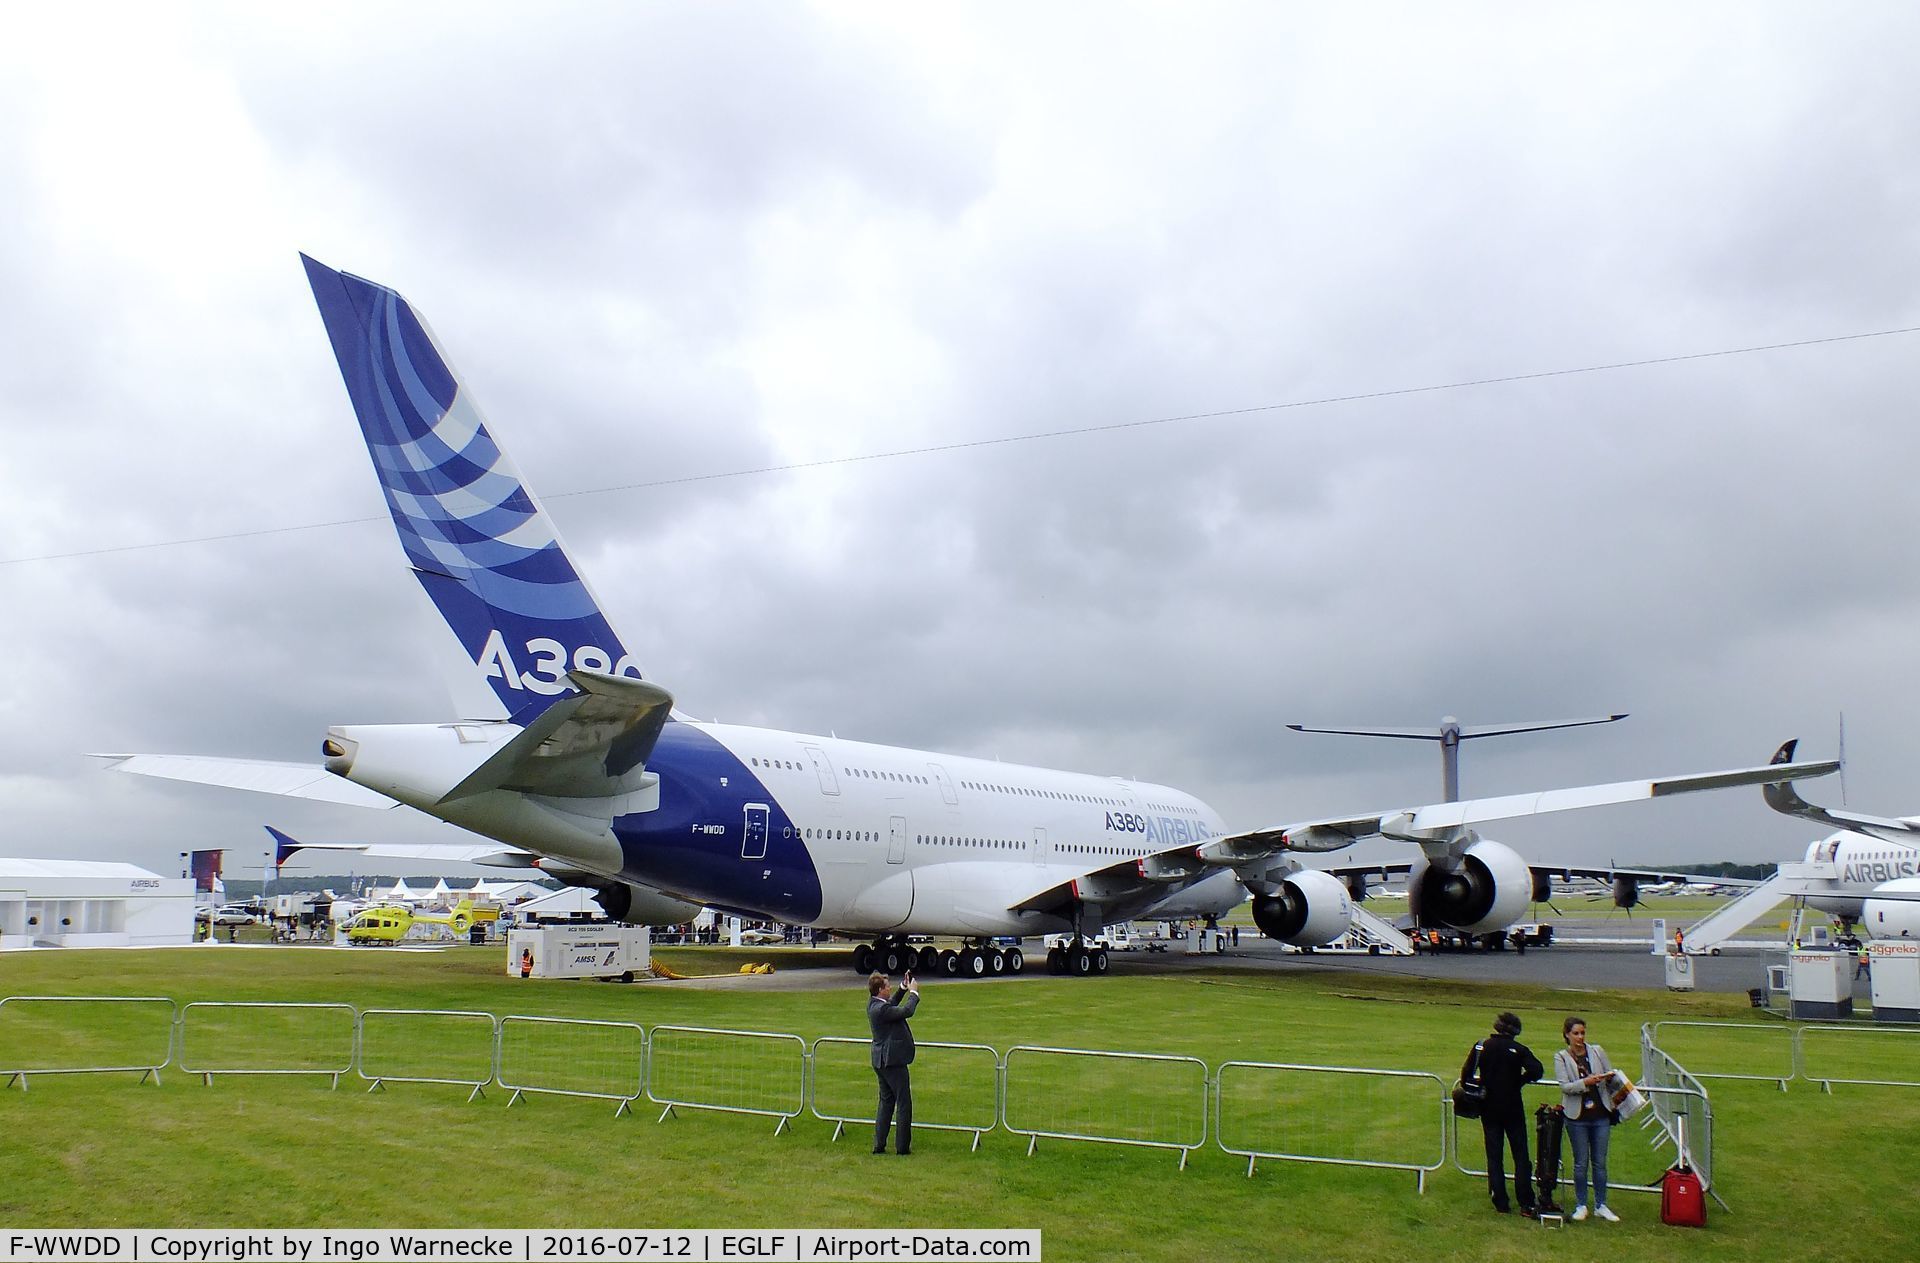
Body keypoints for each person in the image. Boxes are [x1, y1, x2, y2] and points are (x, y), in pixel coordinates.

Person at [1467, 1011, 1543, 1217]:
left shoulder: (1482, 1046)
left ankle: (1500, 1200)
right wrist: (1520, 1080)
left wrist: (1481, 1086)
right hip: (1512, 1107)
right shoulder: (1519, 1050)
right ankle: (1525, 1201)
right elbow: (1537, 1070)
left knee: (1494, 1155)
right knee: (1521, 1156)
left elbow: (1466, 1075)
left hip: (1489, 1107)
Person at [1553, 1016, 1619, 1222]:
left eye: (1582, 1033)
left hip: (1600, 1115)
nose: (1580, 1037)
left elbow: (1612, 1075)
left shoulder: (1597, 1051)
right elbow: (1565, 1086)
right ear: (1567, 1035)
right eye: (1575, 1033)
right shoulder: (1561, 1057)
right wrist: (1585, 1082)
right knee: (1581, 1163)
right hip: (1576, 1116)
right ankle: (1581, 1204)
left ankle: (1601, 1204)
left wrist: (1608, 1077)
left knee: (1600, 1162)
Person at [867, 969, 920, 1155]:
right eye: (888, 986)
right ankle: (902, 1147)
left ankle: (879, 1144)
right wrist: (913, 993)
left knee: (886, 1102)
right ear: (881, 989)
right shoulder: (881, 1009)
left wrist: (902, 989)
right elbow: (907, 1011)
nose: (890, 989)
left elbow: (891, 1005)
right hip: (893, 1061)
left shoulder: (874, 1005)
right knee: (903, 1103)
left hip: (880, 1060)